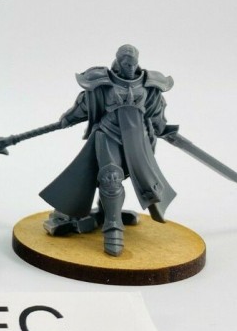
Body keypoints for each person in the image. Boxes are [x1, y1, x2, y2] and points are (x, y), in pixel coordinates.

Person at [40, 44, 175, 256]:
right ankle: (113, 227)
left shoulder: (150, 85)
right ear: (119, 62)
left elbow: (156, 112)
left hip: (137, 142)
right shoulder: (102, 82)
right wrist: (68, 119)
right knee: (110, 177)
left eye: (133, 64)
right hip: (108, 134)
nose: (131, 68)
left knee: (135, 180)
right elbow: (86, 104)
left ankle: (105, 211)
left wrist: (163, 129)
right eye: (126, 64)